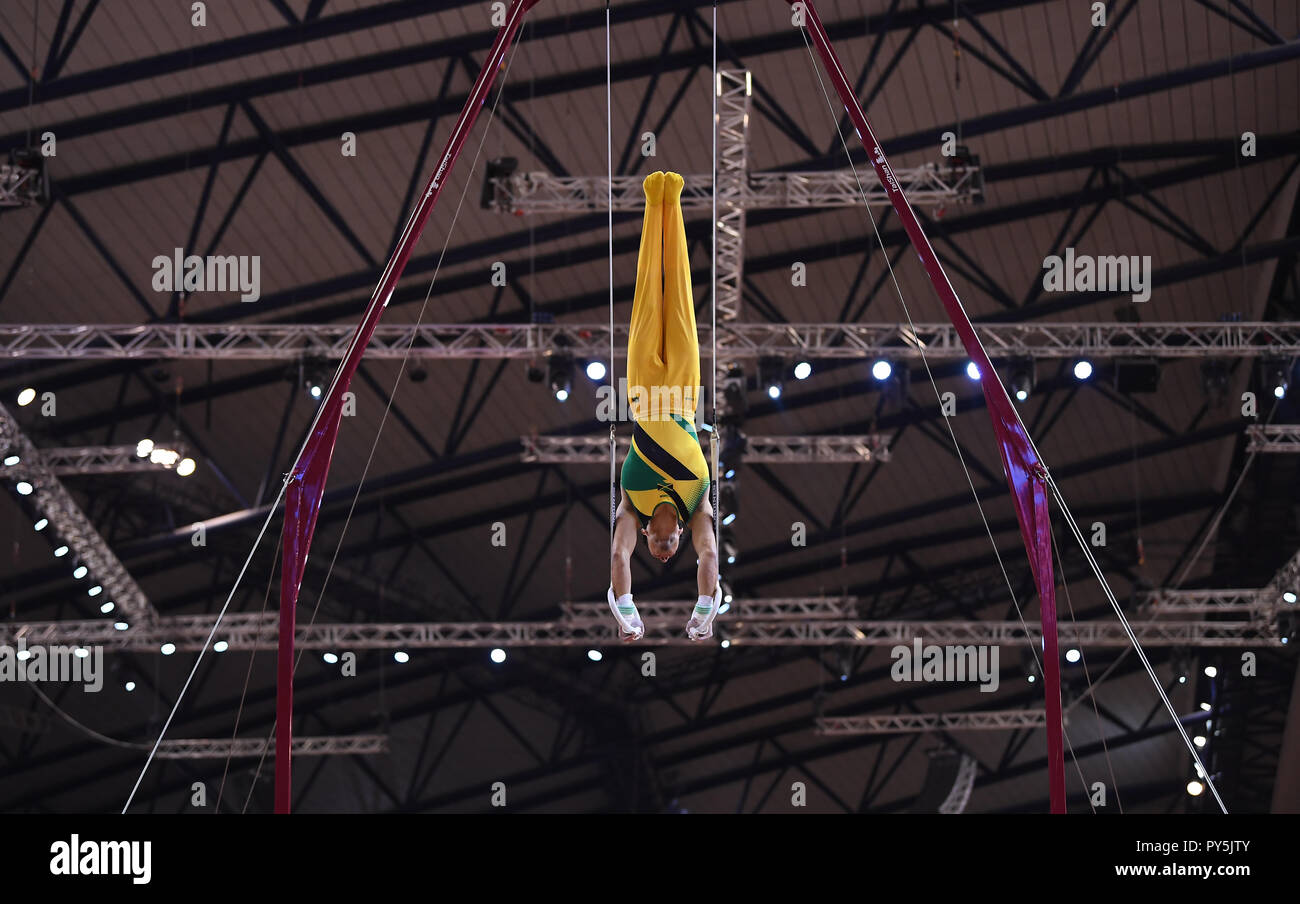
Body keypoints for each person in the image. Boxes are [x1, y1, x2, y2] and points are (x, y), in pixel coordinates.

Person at [608, 171, 720, 643]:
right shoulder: (697, 509)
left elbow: (617, 558)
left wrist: (625, 611)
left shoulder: (632, 507)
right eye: (669, 546)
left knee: (647, 294)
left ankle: (654, 200)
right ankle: (672, 200)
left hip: (643, 393)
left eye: (656, 546)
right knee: (678, 297)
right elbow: (711, 557)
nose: (662, 545)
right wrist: (705, 611)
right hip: (682, 393)